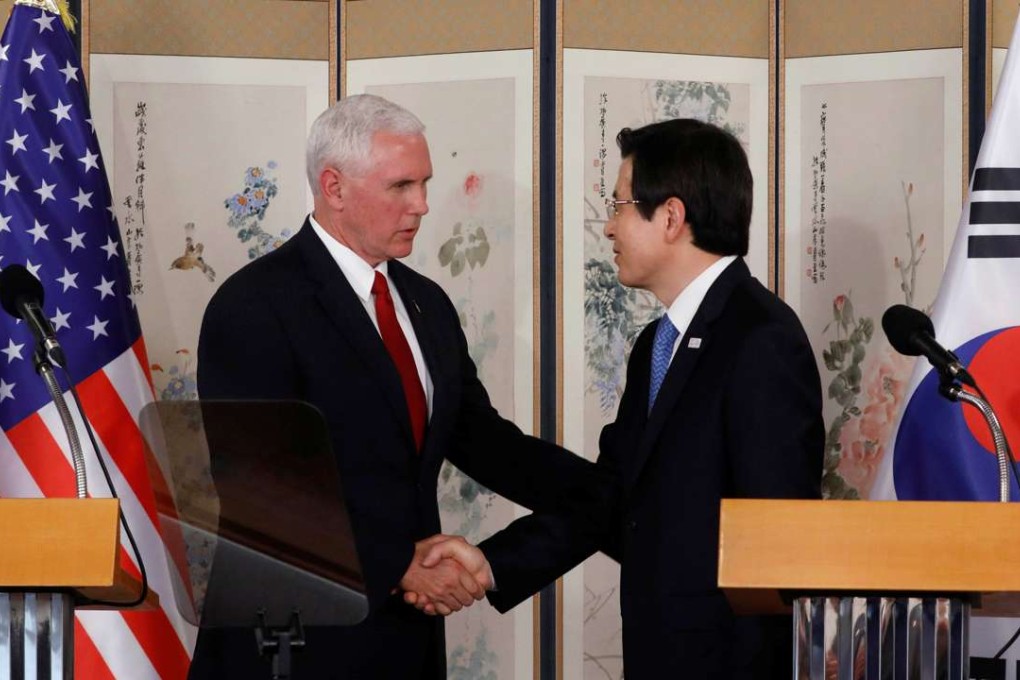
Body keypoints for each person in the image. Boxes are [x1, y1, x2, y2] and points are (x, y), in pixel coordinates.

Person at [190, 94, 603, 679]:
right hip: (293, 640)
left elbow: (485, 442)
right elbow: (257, 484)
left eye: (425, 184)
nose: (423, 205)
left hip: (403, 637)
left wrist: (613, 488)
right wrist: (397, 564)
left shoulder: (426, 303)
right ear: (333, 187)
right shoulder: (254, 304)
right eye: (401, 186)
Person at [414, 118, 825, 679]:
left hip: (728, 664)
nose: (608, 227)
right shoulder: (656, 344)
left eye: (620, 205)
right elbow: (611, 496)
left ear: (672, 217)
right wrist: (491, 564)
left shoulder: (761, 339)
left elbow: (777, 542)